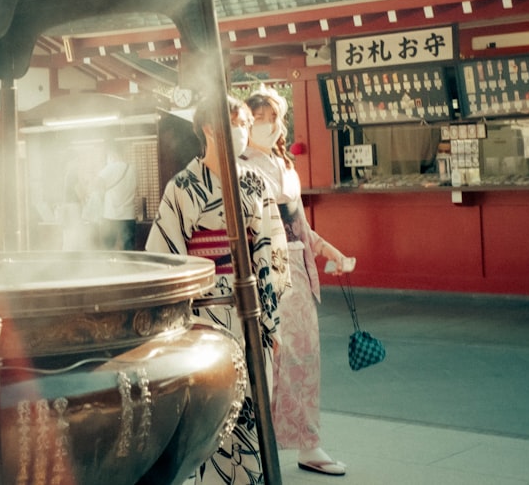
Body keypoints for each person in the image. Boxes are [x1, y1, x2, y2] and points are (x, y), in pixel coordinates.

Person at [146, 94, 289, 485]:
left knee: (253, 403)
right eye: (237, 125)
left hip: (250, 312)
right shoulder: (183, 187)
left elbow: (271, 250)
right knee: (210, 406)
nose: (243, 133)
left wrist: (271, 318)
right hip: (204, 315)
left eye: (245, 125)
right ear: (210, 128)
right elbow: (167, 259)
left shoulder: (255, 182)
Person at [240, 86, 354, 477]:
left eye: (273, 119)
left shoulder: (285, 167)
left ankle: (308, 442)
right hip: (264, 274)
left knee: (305, 358)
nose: (267, 126)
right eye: (258, 119)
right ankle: (257, 443)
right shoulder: (239, 167)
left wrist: (331, 252)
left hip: (298, 273)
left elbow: (301, 228)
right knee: (271, 362)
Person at [95, 143, 137, 250]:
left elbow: (97, 183)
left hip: (111, 216)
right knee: (129, 250)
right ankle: (129, 266)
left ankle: (110, 267)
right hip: (129, 216)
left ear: (112, 154)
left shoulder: (111, 167)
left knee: (108, 249)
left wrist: (101, 197)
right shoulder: (132, 169)